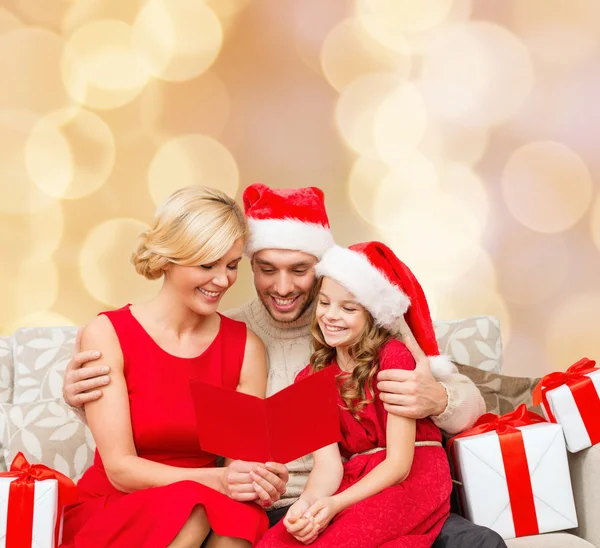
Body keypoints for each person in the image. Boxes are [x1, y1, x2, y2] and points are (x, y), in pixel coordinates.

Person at [63, 184, 504, 547]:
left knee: (478, 544)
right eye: (265, 268)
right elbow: (226, 450)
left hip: (371, 492)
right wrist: (84, 402)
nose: (283, 286)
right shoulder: (240, 335)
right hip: (285, 507)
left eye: (300, 269)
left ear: (323, 267)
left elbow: (469, 405)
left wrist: (439, 398)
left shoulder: (368, 321)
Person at [60, 186, 273, 548]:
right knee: (193, 510)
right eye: (207, 265)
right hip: (119, 505)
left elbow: (239, 464)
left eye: (232, 266)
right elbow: (121, 470)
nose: (222, 281)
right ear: (168, 259)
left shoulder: (246, 348)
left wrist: (255, 478)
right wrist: (221, 481)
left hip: (207, 500)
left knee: (240, 516)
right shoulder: (108, 333)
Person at [258, 241, 453, 547]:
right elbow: (327, 466)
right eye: (324, 303)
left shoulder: (393, 357)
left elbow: (399, 465)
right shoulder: (308, 378)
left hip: (411, 477)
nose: (331, 316)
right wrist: (306, 505)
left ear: (371, 315)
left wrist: (335, 505)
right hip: (355, 477)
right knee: (276, 542)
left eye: (348, 308)